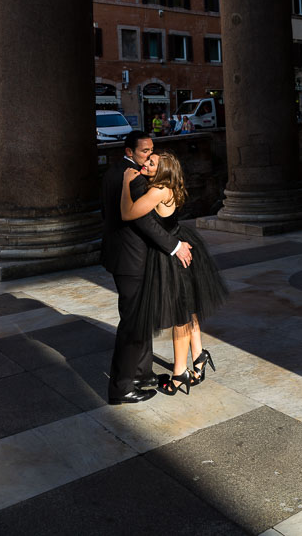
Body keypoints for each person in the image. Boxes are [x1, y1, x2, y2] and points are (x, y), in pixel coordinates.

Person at [121, 151, 228, 396]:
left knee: (179, 314)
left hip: (170, 256)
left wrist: (127, 183)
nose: (146, 163)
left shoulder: (158, 190)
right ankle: (199, 357)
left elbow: (128, 213)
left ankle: (179, 375)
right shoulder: (172, 185)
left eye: (152, 162)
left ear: (163, 170)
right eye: (147, 159)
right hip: (181, 242)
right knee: (188, 308)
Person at [101, 131, 193, 405]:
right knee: (132, 324)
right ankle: (122, 387)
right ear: (129, 151)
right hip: (133, 260)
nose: (149, 156)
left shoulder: (113, 171)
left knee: (138, 319)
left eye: (152, 150)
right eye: (144, 152)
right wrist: (175, 246)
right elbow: (144, 223)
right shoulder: (135, 178)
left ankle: (142, 373)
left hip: (121, 255)